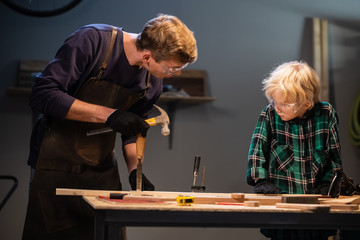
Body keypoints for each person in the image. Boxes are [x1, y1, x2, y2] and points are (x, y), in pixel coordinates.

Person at [22, 14, 197, 240]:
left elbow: (132, 130)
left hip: (101, 168)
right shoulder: (93, 41)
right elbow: (43, 95)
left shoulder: (151, 81)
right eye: (172, 69)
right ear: (147, 56)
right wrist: (109, 115)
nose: (176, 74)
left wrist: (135, 170)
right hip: (54, 165)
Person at [246, 61, 342, 240]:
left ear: (306, 103)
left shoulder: (326, 114)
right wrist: (260, 181)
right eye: (275, 101)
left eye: (285, 104)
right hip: (281, 205)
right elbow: (257, 151)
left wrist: (329, 183)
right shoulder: (270, 115)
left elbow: (334, 157)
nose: (277, 107)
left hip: (316, 206)